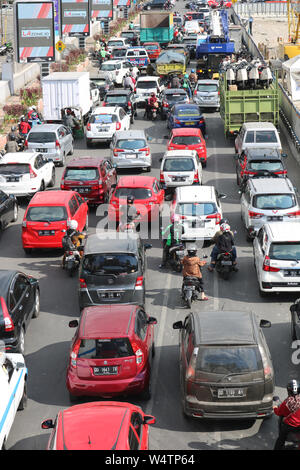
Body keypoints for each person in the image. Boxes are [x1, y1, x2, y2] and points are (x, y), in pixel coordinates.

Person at [273, 380, 300, 450]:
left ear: (288, 390)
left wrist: (275, 407)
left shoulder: (287, 402)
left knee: (281, 438)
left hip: (290, 425)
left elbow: (278, 413)